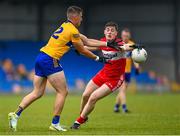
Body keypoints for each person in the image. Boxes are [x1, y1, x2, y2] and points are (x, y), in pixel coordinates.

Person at [8, 6, 120, 132]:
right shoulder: (72, 31)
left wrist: (107, 43)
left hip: (41, 57)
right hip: (51, 60)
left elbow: (87, 40)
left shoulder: (65, 25)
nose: (82, 19)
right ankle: (55, 123)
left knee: (37, 92)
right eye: (81, 16)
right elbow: (82, 49)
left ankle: (15, 114)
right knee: (63, 92)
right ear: (76, 17)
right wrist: (98, 59)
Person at [71, 21, 134, 129]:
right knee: (85, 95)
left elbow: (127, 47)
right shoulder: (103, 42)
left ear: (116, 33)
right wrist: (80, 49)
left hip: (115, 79)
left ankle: (78, 122)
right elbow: (92, 47)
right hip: (103, 73)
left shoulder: (119, 43)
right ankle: (82, 116)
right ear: (104, 32)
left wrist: (134, 46)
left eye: (112, 30)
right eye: (108, 30)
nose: (110, 32)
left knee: (93, 97)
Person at [114, 28, 140, 113]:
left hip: (128, 72)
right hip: (120, 71)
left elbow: (135, 58)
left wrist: (137, 67)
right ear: (121, 35)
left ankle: (116, 106)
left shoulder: (132, 45)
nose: (125, 37)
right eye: (124, 35)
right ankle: (124, 107)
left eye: (127, 36)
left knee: (123, 90)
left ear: (129, 36)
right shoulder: (118, 44)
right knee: (122, 89)